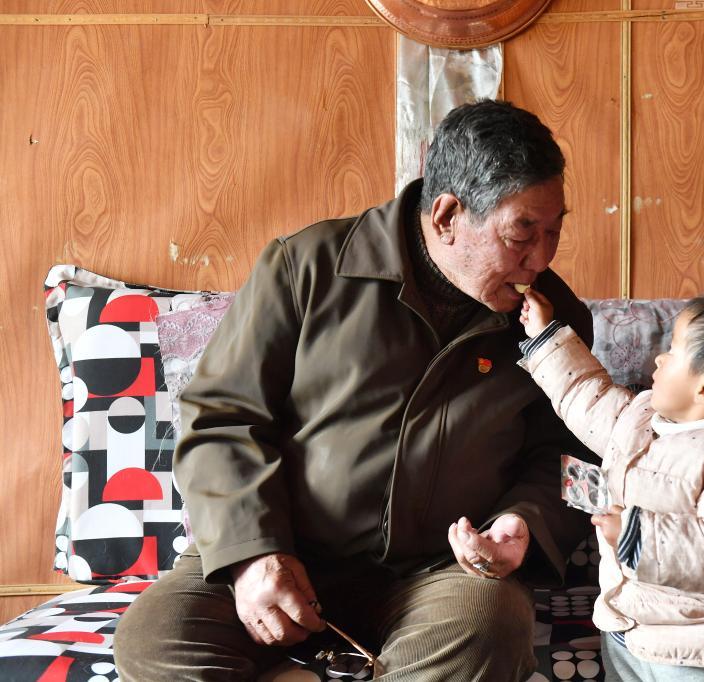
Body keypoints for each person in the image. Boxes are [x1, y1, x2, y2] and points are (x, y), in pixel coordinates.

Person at [113, 99, 595, 681]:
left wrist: (525, 522)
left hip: (442, 573)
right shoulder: (306, 266)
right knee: (156, 641)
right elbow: (222, 417)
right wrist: (252, 553)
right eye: (522, 232)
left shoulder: (556, 321)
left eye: (554, 230)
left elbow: (573, 456)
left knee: (489, 628)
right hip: (287, 548)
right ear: (446, 215)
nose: (541, 258)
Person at [517, 272, 704, 682]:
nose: (659, 359)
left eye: (672, 351)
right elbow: (587, 396)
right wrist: (545, 336)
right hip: (631, 631)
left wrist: (636, 535)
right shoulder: (642, 417)